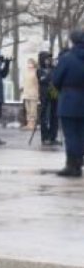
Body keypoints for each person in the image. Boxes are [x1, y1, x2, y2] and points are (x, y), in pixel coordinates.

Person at [52, 30, 84, 177]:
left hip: (69, 101)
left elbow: (56, 80)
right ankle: (78, 162)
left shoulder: (67, 58)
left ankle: (72, 165)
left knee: (71, 134)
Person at [37, 52, 60, 146]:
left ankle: (53, 136)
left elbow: (58, 78)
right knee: (45, 116)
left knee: (55, 115)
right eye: (47, 59)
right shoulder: (40, 70)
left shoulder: (53, 69)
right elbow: (44, 80)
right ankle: (45, 137)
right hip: (45, 94)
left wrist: (55, 68)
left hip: (53, 92)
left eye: (49, 59)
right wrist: (52, 71)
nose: (48, 61)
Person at [21, 58, 39, 132]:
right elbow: (23, 81)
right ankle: (28, 123)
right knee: (28, 109)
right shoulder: (25, 72)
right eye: (28, 63)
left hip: (33, 93)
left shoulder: (36, 72)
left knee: (33, 110)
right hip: (26, 93)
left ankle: (33, 123)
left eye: (30, 63)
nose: (29, 65)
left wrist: (38, 92)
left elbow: (38, 83)